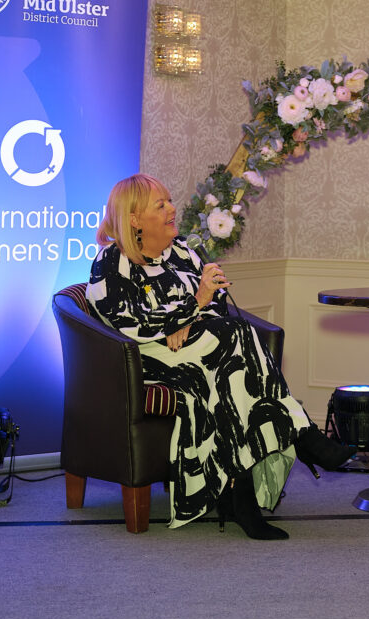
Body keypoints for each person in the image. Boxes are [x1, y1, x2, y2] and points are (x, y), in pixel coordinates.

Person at [87, 173, 353, 540]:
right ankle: (301, 433)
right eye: (160, 205)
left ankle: (239, 493)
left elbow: (219, 301)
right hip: (147, 358)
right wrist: (188, 311)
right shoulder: (111, 262)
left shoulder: (183, 251)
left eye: (169, 200)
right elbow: (126, 323)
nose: (171, 209)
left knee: (231, 364)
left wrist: (190, 316)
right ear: (134, 219)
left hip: (197, 347)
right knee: (234, 340)